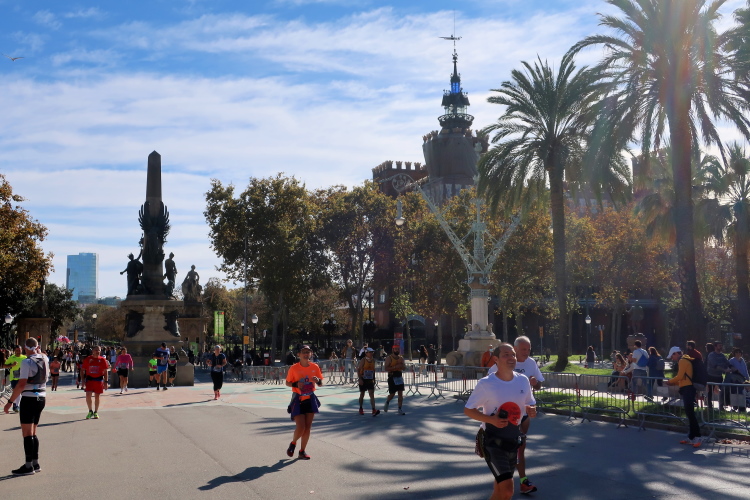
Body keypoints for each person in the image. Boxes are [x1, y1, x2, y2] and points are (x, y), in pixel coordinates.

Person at [464, 343, 537, 500]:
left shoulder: (523, 380)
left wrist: (531, 409)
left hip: (513, 440)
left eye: (513, 355)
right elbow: (468, 410)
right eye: (506, 355)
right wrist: (491, 420)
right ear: (496, 359)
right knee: (507, 489)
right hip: (492, 441)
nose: (511, 358)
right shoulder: (486, 383)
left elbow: (530, 402)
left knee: (500, 490)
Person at [488, 336, 544, 494]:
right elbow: (489, 384)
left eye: (529, 349)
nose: (527, 352)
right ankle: (505, 481)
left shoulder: (531, 363)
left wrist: (535, 383)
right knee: (508, 449)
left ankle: (521, 481)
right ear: (515, 349)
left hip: (523, 414)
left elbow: (539, 385)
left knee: (519, 447)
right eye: (523, 349)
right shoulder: (501, 363)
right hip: (505, 415)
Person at [3, 338, 49, 475]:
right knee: (33, 432)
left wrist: (10, 401)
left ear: (25, 348)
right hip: (41, 397)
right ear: (37, 346)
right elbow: (42, 355)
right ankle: (35, 463)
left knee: (27, 433)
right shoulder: (44, 358)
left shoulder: (26, 362)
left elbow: (21, 384)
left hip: (29, 398)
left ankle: (28, 466)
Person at [285, 345, 323, 460]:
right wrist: (296, 384)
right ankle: (293, 443)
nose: (306, 354)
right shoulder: (294, 368)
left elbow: (320, 383)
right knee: (301, 427)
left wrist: (318, 381)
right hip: (298, 399)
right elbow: (287, 383)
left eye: (308, 352)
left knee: (307, 428)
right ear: (299, 355)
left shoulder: (315, 367)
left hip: (310, 399)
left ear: (311, 354)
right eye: (304, 352)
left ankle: (302, 451)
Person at [665, 346, 702, 447]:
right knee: (690, 414)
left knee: (690, 414)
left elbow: (680, 376)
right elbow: (683, 378)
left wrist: (670, 381)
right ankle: (691, 437)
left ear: (676, 353)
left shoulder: (682, 361)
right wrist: (674, 383)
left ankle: (697, 437)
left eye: (672, 356)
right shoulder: (685, 360)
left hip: (688, 389)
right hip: (688, 388)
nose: (672, 358)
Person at [82, 346, 109, 419]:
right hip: (89, 380)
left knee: (97, 396)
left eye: (99, 350)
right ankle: (90, 411)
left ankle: (96, 412)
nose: (98, 351)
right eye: (96, 350)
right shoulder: (88, 359)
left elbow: (105, 371)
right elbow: (83, 370)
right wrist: (83, 380)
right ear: (92, 351)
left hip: (98, 380)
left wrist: (106, 382)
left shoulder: (102, 360)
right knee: (88, 395)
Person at [706, 340, 732, 411]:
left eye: (721, 345)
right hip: (711, 376)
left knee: (722, 391)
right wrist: (725, 370)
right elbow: (715, 366)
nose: (721, 347)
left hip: (719, 376)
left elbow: (727, 363)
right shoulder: (711, 355)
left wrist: (732, 367)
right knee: (710, 391)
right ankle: (709, 406)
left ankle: (721, 406)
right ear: (715, 347)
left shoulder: (722, 355)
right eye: (719, 346)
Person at [383, 344, 406, 415]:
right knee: (392, 394)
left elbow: (404, 368)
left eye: (398, 349)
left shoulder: (401, 358)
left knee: (400, 394)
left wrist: (402, 366)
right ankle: (387, 401)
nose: (397, 350)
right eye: (396, 349)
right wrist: (395, 367)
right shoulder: (389, 358)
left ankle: (400, 408)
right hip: (392, 376)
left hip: (399, 376)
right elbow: (386, 368)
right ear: (393, 350)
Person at [357, 347, 380, 416]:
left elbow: (373, 370)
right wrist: (360, 379)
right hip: (363, 379)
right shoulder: (363, 360)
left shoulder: (373, 360)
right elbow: (358, 369)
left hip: (370, 379)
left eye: (372, 352)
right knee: (362, 394)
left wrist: (374, 379)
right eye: (370, 352)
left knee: (371, 394)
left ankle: (373, 409)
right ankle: (361, 408)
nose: (371, 353)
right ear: (366, 353)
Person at [4, 345, 27, 413]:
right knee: (15, 392)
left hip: (22, 377)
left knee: (20, 392)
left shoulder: (25, 358)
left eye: (19, 350)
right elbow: (4, 365)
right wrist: (12, 365)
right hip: (14, 377)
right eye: (17, 350)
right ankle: (15, 405)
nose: (18, 352)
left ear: (21, 350)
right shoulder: (11, 358)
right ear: (14, 351)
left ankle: (16, 405)